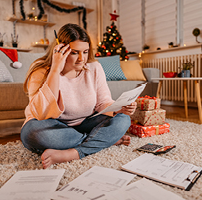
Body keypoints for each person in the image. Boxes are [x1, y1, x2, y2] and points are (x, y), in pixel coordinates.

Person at [21, 23, 137, 169]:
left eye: (85, 51)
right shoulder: (41, 69)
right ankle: (103, 139)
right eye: (74, 52)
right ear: (60, 50)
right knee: (32, 133)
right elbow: (39, 112)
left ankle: (73, 153)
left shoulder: (94, 68)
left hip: (86, 122)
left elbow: (103, 102)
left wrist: (119, 108)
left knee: (123, 119)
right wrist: (55, 70)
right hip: (54, 125)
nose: (81, 58)